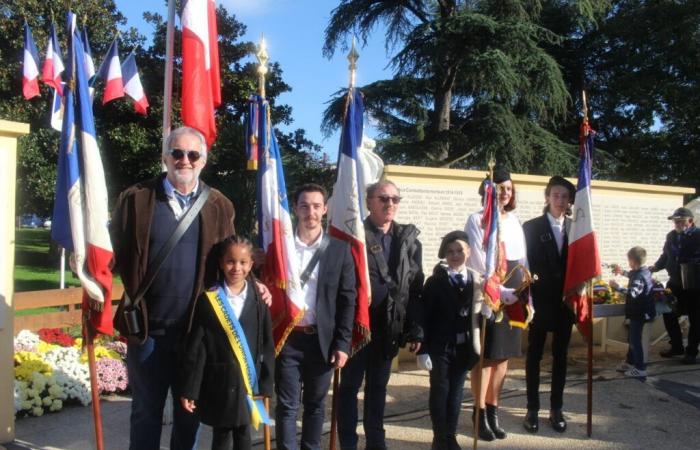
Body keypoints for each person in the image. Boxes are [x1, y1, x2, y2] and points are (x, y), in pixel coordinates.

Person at [111, 126, 234, 450]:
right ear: (165, 156)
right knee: (145, 413)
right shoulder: (136, 199)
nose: (184, 160)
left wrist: (255, 285)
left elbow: (233, 261)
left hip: (196, 334)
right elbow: (114, 251)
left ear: (203, 161)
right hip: (148, 332)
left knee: (188, 415)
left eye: (193, 155)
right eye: (177, 153)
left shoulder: (219, 205)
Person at [338, 180, 424, 450]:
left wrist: (414, 327)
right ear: (368, 202)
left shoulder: (409, 240)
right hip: (358, 328)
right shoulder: (353, 236)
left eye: (395, 199)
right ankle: (348, 442)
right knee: (349, 389)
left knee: (377, 390)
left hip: (389, 328)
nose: (390, 204)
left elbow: (414, 288)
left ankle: (376, 442)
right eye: (383, 198)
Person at [273, 183, 357, 450]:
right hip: (287, 339)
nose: (311, 212)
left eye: (316, 206)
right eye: (305, 206)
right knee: (287, 406)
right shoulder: (279, 248)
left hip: (321, 341)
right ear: (296, 209)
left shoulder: (339, 249)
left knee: (315, 405)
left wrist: (343, 344)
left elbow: (348, 300)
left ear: (325, 209)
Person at [179, 235, 274, 450]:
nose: (236, 268)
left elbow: (266, 345)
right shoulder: (209, 300)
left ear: (251, 265)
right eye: (230, 261)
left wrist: (266, 385)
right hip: (218, 383)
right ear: (221, 263)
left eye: (242, 262)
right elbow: (197, 349)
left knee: (244, 436)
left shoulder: (260, 302)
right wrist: (190, 389)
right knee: (221, 438)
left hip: (249, 385)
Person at [464, 168, 526, 441]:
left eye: (509, 188)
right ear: (488, 189)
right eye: (500, 187)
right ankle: (477, 412)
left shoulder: (514, 221)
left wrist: (524, 292)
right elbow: (479, 261)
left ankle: (493, 410)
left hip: (513, 293)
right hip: (489, 294)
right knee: (486, 359)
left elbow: (523, 260)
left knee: (503, 357)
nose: (505, 193)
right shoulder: (476, 220)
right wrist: (499, 291)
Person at [418, 231, 490, 450]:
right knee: (440, 391)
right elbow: (425, 317)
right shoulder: (435, 282)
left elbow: (481, 310)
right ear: (444, 255)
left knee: (457, 393)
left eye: (459, 250)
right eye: (450, 251)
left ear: (468, 252)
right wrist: (423, 349)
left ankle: (451, 435)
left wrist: (490, 308)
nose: (455, 255)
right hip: (441, 347)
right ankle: (439, 438)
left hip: (464, 347)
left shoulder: (477, 280)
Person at [522, 176, 576, 433]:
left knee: (561, 356)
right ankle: (532, 408)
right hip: (540, 301)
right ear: (547, 197)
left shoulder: (577, 229)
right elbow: (525, 266)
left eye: (565, 196)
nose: (560, 200)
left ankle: (557, 408)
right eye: (556, 195)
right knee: (534, 355)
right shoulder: (531, 227)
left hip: (565, 302)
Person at [650, 207, 700, 364]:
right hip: (675, 282)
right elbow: (665, 256)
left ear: (690, 221)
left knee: (696, 318)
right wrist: (654, 267)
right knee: (668, 312)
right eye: (675, 221)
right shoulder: (671, 236)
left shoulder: (698, 235)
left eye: (680, 221)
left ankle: (691, 351)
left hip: (695, 284)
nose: (676, 224)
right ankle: (677, 346)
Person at [610, 246, 656, 378]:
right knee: (632, 338)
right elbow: (631, 274)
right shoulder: (643, 271)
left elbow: (633, 293)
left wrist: (617, 287)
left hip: (639, 313)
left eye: (628, 260)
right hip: (639, 312)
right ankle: (630, 362)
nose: (628, 263)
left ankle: (640, 368)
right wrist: (621, 272)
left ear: (632, 261)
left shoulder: (640, 276)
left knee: (635, 340)